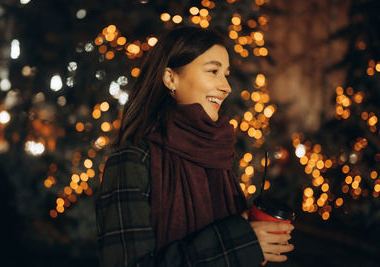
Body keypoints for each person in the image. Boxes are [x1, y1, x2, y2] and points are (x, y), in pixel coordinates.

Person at [96, 26, 294, 267]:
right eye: (213, 71)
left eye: (226, 74)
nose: (226, 87)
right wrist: (238, 244)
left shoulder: (218, 154)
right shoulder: (133, 161)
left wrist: (252, 241)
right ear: (170, 78)